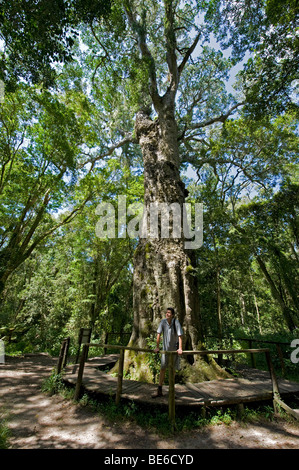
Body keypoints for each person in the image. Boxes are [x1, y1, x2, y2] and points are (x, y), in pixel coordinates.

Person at [152, 307, 183, 398]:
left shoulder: (176, 322)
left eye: (169, 313)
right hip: (165, 351)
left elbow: (180, 335)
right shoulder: (163, 322)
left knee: (172, 370)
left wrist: (180, 348)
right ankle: (159, 389)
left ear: (172, 315)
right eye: (166, 312)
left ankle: (171, 391)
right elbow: (158, 334)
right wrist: (157, 347)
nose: (167, 314)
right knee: (162, 369)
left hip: (173, 351)